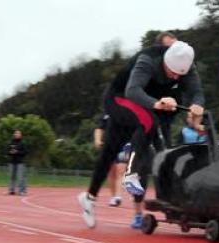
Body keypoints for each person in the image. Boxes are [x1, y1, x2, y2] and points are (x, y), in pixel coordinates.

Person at [77, 40, 205, 229]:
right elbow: (132, 90)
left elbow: (197, 92)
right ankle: (131, 173)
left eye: (180, 75)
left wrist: (197, 104)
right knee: (148, 122)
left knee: (112, 152)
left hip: (142, 108)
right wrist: (157, 103)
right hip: (120, 98)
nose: (175, 78)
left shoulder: (186, 67)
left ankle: (89, 197)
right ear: (165, 62)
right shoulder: (148, 60)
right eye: (172, 73)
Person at [6, 129, 28, 195]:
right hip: (12, 162)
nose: (16, 134)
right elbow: (7, 151)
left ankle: (22, 191)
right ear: (13, 134)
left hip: (20, 162)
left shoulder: (23, 143)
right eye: (15, 133)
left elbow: (25, 152)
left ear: (20, 135)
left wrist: (17, 152)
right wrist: (10, 152)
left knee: (20, 177)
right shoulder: (11, 143)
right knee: (12, 177)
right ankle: (11, 190)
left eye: (18, 133)